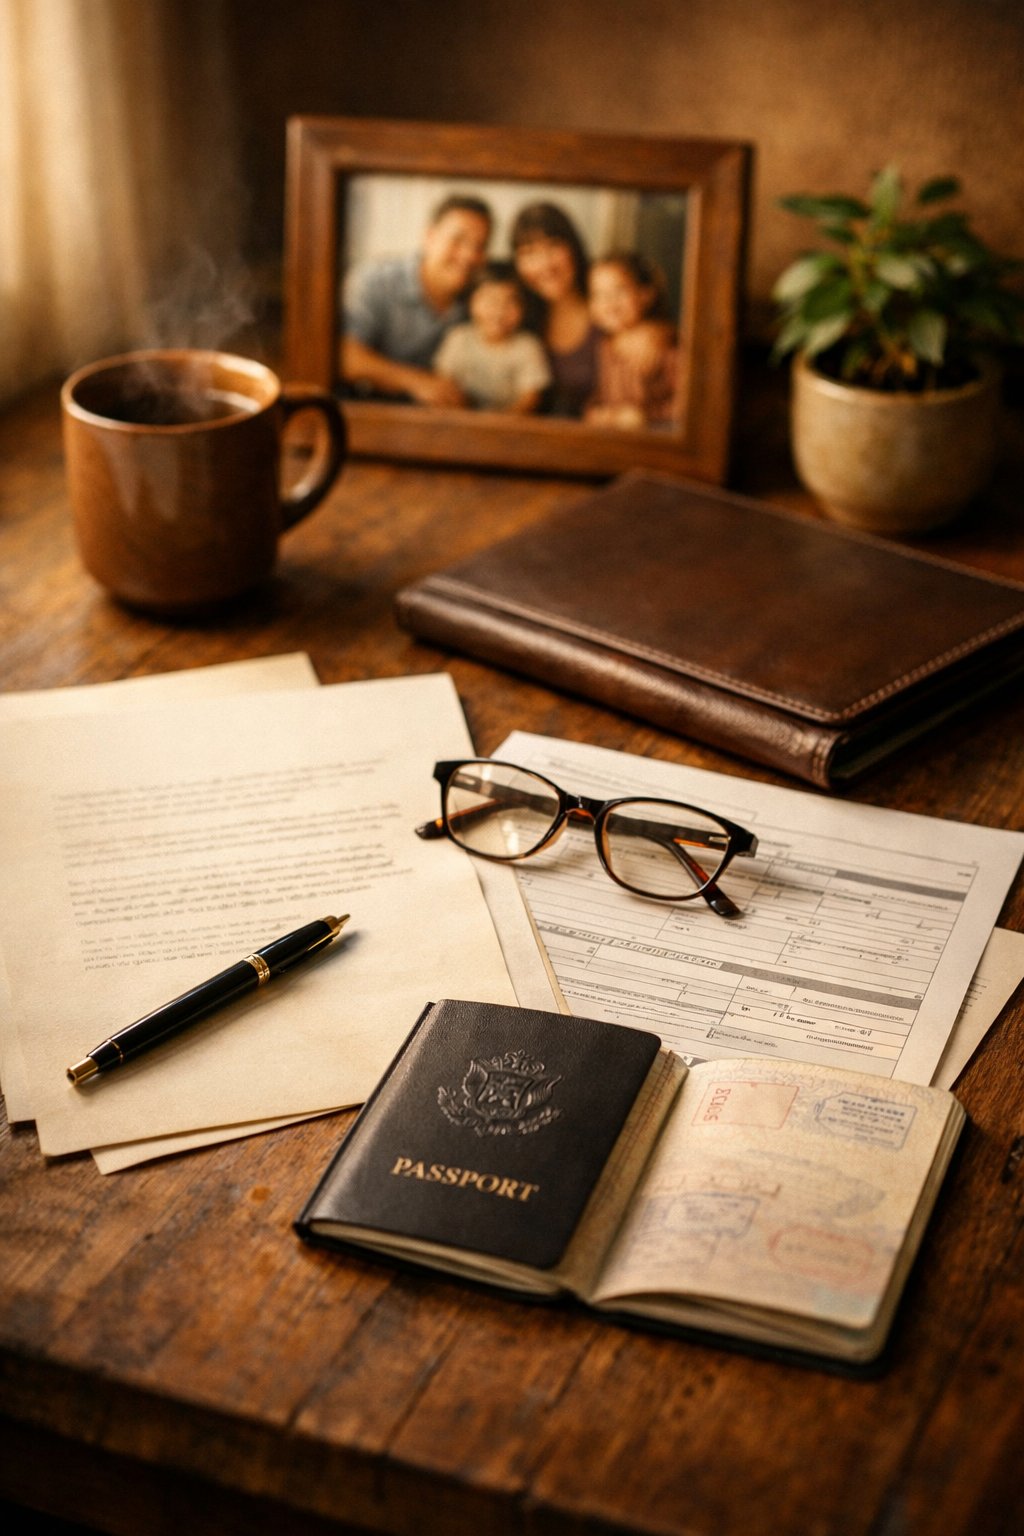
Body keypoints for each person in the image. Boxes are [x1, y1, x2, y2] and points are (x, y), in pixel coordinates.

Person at [341, 194, 492, 406]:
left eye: (480, 246)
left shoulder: (484, 296)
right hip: (368, 411)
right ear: (430, 237)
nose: (469, 255)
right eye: (458, 240)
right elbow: (345, 356)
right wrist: (418, 382)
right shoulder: (376, 280)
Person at [510, 201, 601, 418]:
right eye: (529, 252)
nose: (544, 265)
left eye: (553, 246)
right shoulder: (516, 315)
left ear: (573, 247)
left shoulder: (607, 307)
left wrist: (654, 332)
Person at [433, 261, 552, 413]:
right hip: (462, 421)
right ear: (472, 302)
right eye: (490, 300)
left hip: (511, 427)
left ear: (524, 307)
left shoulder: (527, 346)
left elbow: (530, 399)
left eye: (510, 301)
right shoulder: (459, 338)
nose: (499, 311)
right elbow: (444, 383)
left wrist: (501, 423)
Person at [583, 252, 679, 429]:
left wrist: (647, 418)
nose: (608, 303)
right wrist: (596, 412)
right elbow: (602, 396)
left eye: (619, 290)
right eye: (598, 294)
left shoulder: (662, 347)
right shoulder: (605, 346)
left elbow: (690, 406)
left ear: (646, 295)